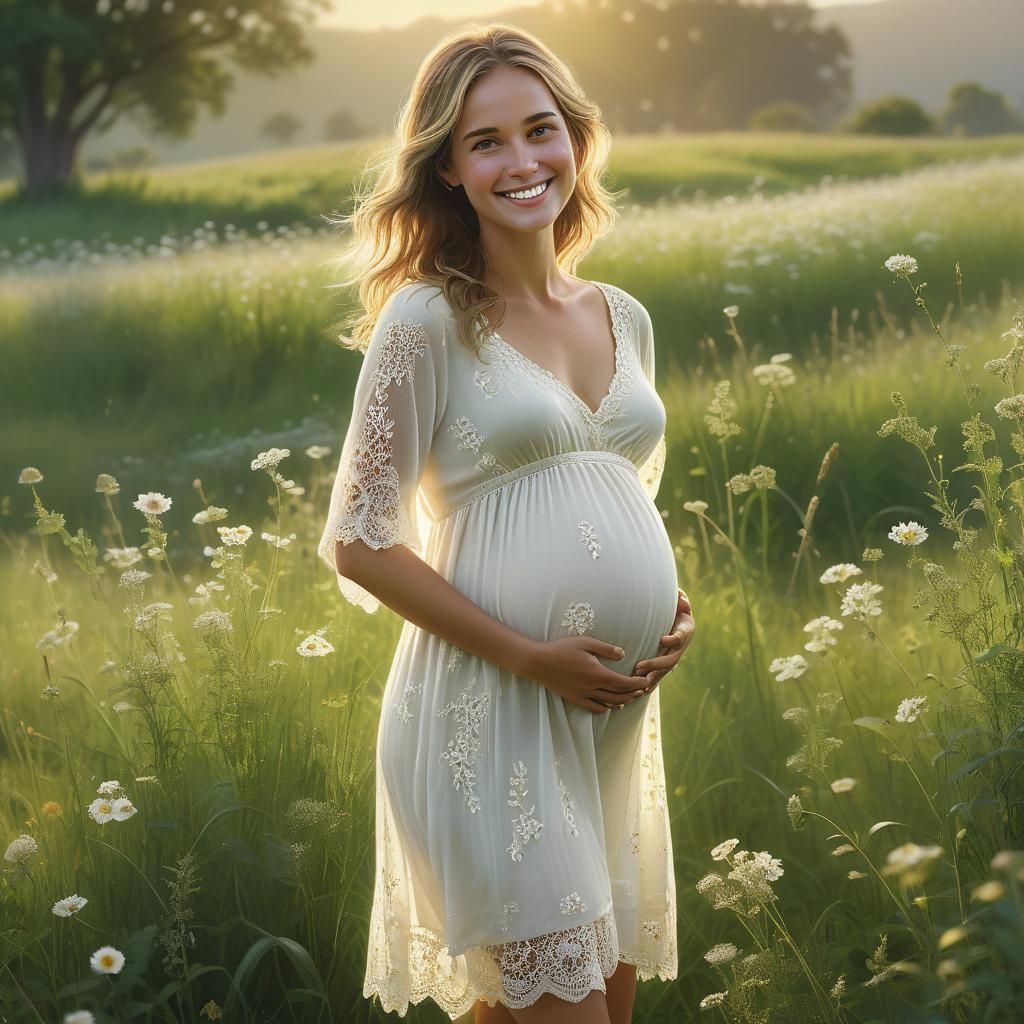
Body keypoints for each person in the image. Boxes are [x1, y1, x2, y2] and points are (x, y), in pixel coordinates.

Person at [316, 21, 696, 1024]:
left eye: (540, 129)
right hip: (491, 713)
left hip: (610, 715)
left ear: (575, 139)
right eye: (486, 141)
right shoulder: (426, 318)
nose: (522, 160)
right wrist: (529, 654)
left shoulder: (623, 314)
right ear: (447, 166)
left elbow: (610, 495)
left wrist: (670, 606)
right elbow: (357, 539)